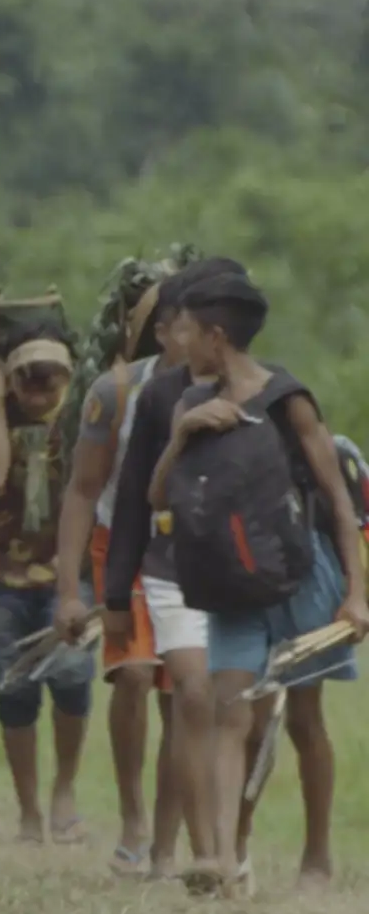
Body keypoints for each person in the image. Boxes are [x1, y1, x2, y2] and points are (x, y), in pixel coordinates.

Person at [149, 274, 369, 897]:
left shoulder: (289, 400)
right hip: (228, 580)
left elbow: (338, 499)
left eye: (188, 331)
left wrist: (355, 593)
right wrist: (183, 435)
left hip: (300, 574)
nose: (180, 343)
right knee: (230, 711)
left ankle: (317, 856)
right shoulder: (190, 402)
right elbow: (158, 496)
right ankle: (221, 859)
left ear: (217, 337)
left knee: (304, 718)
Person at [101, 258, 261, 891]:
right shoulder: (159, 397)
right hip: (173, 566)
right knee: (191, 692)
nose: (178, 336)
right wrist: (116, 593)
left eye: (191, 325)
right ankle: (204, 854)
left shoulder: (273, 392)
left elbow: (311, 488)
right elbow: (136, 498)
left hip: (250, 574)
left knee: (241, 712)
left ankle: (232, 843)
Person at [51, 261, 189, 879]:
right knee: (132, 676)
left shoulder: (234, 389)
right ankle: (133, 819)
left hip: (193, 549)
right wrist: (67, 590)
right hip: (122, 543)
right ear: (159, 331)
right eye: (181, 325)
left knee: (184, 692)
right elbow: (83, 489)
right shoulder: (114, 394)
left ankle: (166, 840)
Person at [0, 326, 91, 843]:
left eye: (49, 377)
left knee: (73, 676)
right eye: (27, 377)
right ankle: (28, 809)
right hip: (0, 574)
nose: (38, 388)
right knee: (14, 687)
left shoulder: (80, 416)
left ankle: (64, 791)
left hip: (66, 572)